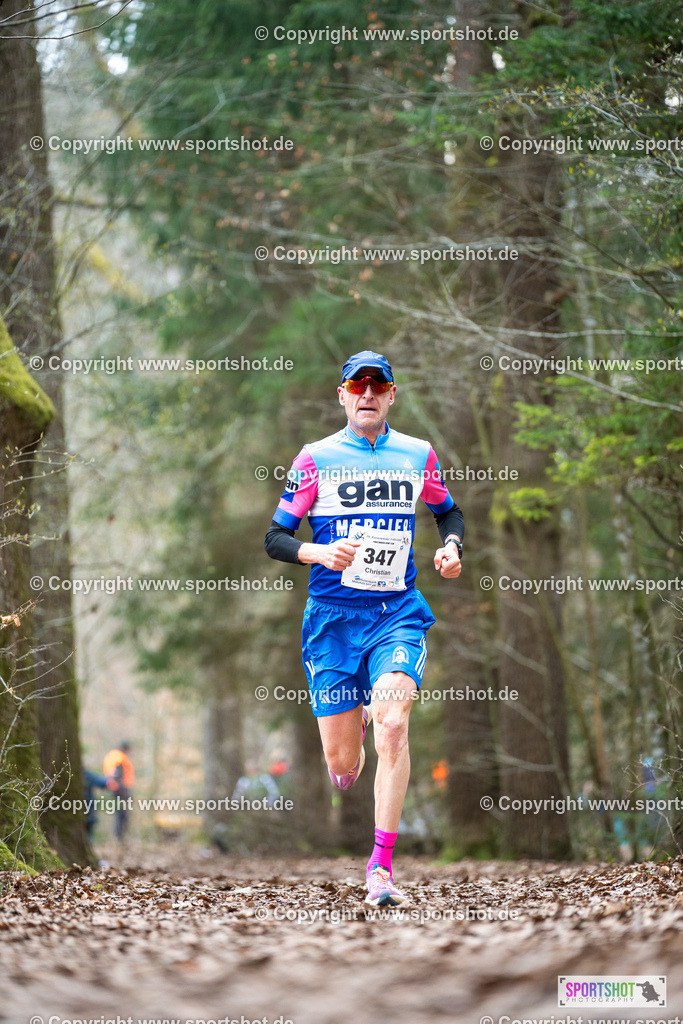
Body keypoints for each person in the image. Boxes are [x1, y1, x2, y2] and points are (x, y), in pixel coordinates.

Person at [265, 350, 463, 906]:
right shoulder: (314, 459)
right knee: (344, 762)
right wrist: (318, 550)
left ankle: (381, 868)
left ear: (392, 395)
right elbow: (275, 537)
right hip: (331, 620)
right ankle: (349, 761)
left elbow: (448, 510)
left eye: (379, 386)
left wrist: (451, 547)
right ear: (343, 396)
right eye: (359, 386)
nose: (368, 394)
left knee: (395, 723)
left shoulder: (417, 454)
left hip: (395, 612)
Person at [103, 741, 135, 842]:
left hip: (118, 788)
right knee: (122, 813)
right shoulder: (119, 758)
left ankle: (120, 836)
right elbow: (116, 774)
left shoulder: (114, 756)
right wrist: (122, 788)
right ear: (126, 748)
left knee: (121, 812)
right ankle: (120, 836)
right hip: (121, 789)